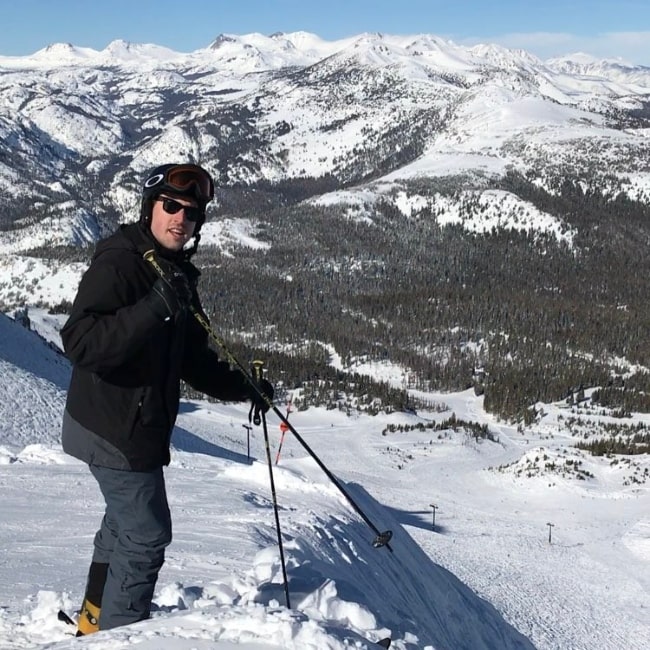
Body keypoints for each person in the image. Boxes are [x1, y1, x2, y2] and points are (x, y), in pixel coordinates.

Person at [60, 163, 273, 635]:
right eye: (171, 206)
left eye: (191, 213)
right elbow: (80, 342)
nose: (180, 218)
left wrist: (244, 386)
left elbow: (192, 359)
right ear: (150, 207)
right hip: (112, 426)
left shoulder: (173, 272)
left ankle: (94, 623)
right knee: (146, 534)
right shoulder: (121, 262)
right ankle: (119, 638)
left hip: (134, 426)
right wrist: (154, 307)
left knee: (124, 524)